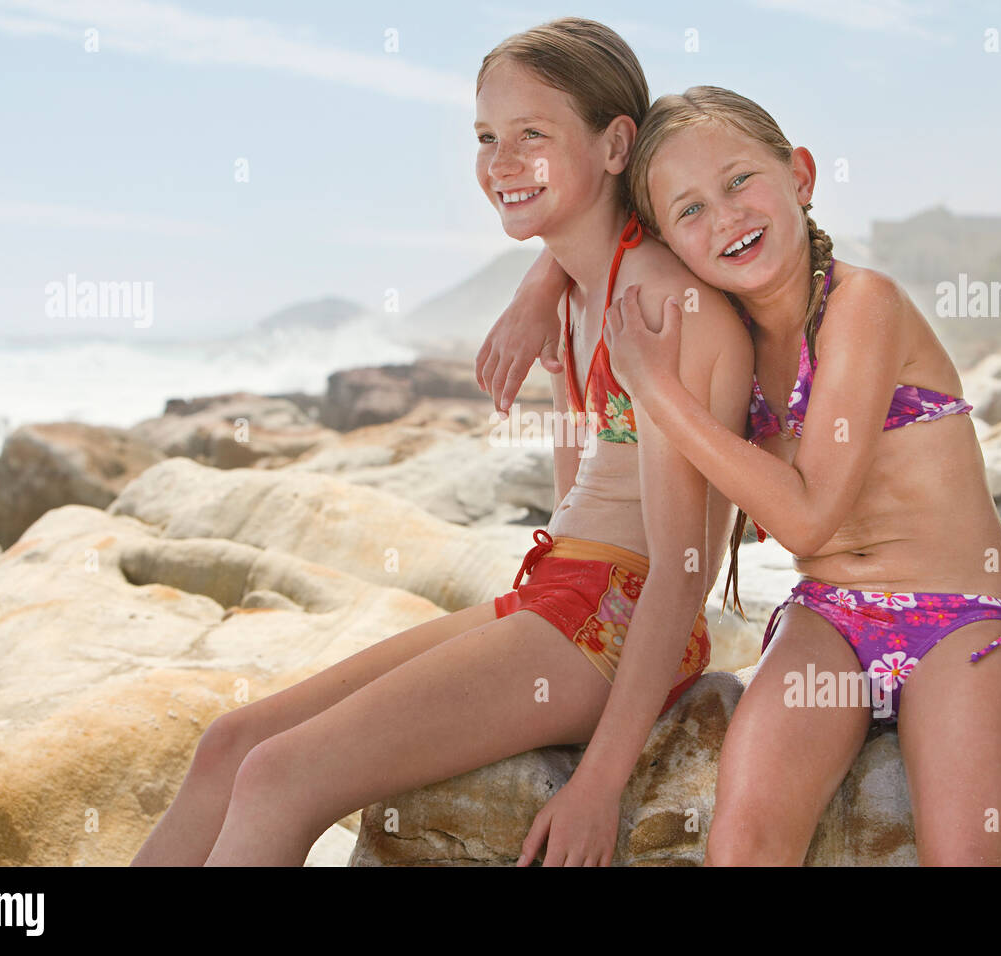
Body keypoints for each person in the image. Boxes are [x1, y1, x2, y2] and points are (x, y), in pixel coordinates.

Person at [130, 19, 752, 868]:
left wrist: (600, 781)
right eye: (487, 137)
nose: (501, 161)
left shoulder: (657, 309)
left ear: (616, 144)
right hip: (556, 596)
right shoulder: (576, 291)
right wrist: (544, 283)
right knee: (230, 743)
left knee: (280, 774)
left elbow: (684, 572)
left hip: (614, 624)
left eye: (533, 134)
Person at [477, 86, 1001, 866]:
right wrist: (539, 285)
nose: (727, 217)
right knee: (742, 842)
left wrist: (659, 392)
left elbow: (805, 519)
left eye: (740, 181)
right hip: (830, 617)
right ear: (670, 243)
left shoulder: (861, 305)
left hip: (956, 614)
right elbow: (594, 222)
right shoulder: (727, 334)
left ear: (801, 177)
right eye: (691, 210)